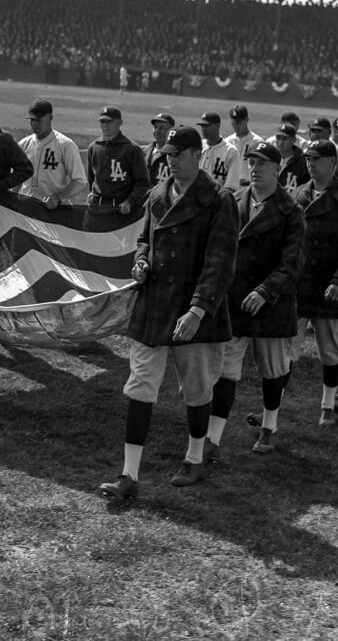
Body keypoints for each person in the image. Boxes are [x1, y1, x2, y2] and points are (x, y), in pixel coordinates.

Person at [98, 125, 239, 500]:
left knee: (196, 387)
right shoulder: (159, 193)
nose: (171, 161)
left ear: (198, 155)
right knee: (140, 385)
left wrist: (198, 310)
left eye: (179, 154)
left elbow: (220, 263)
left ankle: (195, 458)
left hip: (193, 310)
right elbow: (144, 238)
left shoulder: (218, 200)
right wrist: (141, 261)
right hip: (156, 305)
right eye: (168, 155)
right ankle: (129, 475)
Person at [208, 141, 304, 456]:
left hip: (272, 304)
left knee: (274, 370)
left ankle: (269, 427)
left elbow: (292, 265)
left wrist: (265, 290)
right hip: (236, 301)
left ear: (278, 170)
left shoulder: (291, 211)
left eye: (263, 163)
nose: (256, 168)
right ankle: (212, 437)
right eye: (252, 162)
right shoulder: (235, 201)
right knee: (226, 370)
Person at [290, 139, 338, 427]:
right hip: (300, 284)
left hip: (331, 288)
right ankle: (275, 406)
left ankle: (327, 405)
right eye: (308, 158)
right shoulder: (299, 195)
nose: (310, 163)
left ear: (332, 163)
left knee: (332, 351)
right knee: (286, 347)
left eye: (317, 159)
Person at [18, 99, 88, 208]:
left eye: (39, 119)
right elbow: (17, 177)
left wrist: (58, 197)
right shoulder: (23, 144)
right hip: (26, 210)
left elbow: (80, 181)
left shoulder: (65, 145)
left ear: (50, 118)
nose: (35, 124)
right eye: (32, 120)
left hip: (55, 212)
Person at [87, 106, 149, 213]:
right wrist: (91, 194)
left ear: (119, 122)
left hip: (122, 209)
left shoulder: (132, 149)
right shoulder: (93, 147)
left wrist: (130, 202)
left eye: (109, 121)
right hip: (97, 207)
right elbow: (92, 178)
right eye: (102, 121)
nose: (105, 125)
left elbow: (143, 183)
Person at [197, 111, 241, 191]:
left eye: (207, 126)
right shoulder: (197, 147)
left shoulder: (231, 151)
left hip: (218, 200)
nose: (203, 129)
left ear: (218, 125)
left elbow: (232, 186)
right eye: (202, 126)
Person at [224, 104, 262, 187]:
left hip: (249, 187)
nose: (236, 126)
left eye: (239, 123)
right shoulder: (227, 142)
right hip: (230, 187)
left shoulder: (257, 142)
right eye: (233, 123)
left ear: (247, 120)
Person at [273, 124, 310, 192]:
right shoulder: (269, 159)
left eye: (285, 139)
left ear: (294, 140)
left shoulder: (303, 162)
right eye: (278, 138)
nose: (280, 142)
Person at [145, 112, 175, 186]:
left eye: (161, 128)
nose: (156, 131)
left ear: (170, 131)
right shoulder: (144, 152)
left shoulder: (174, 155)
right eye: (155, 127)